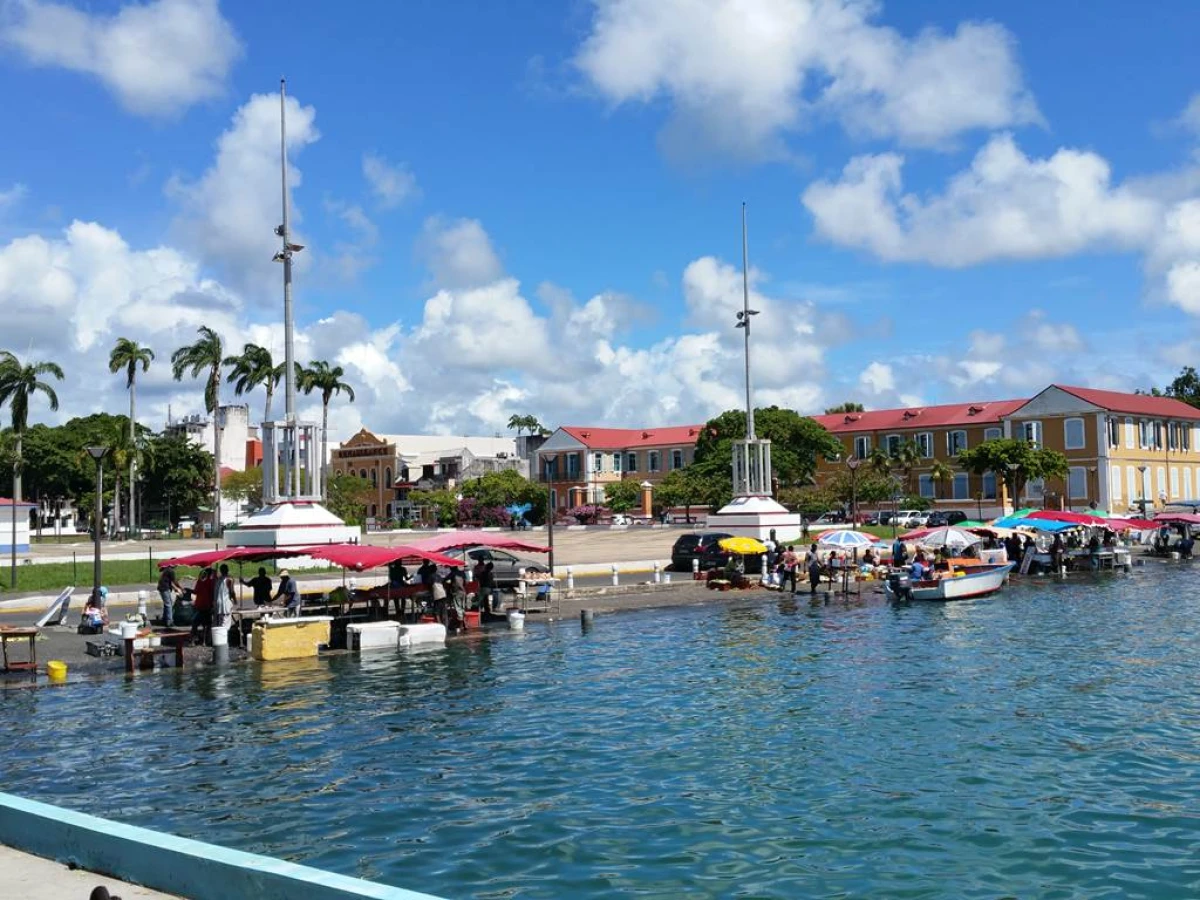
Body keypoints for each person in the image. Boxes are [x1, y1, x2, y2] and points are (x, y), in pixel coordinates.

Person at [191, 567, 214, 645]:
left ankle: (193, 640)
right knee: (207, 625)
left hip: (199, 606)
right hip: (207, 606)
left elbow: (195, 591)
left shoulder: (200, 582)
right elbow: (213, 594)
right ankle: (205, 641)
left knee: (195, 623)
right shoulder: (211, 582)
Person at [214, 564, 234, 630]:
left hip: (218, 605)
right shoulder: (229, 579)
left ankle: (221, 638)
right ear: (227, 570)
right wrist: (235, 600)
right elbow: (231, 592)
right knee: (226, 625)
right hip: (225, 605)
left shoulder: (218, 580)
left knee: (220, 624)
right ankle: (224, 639)